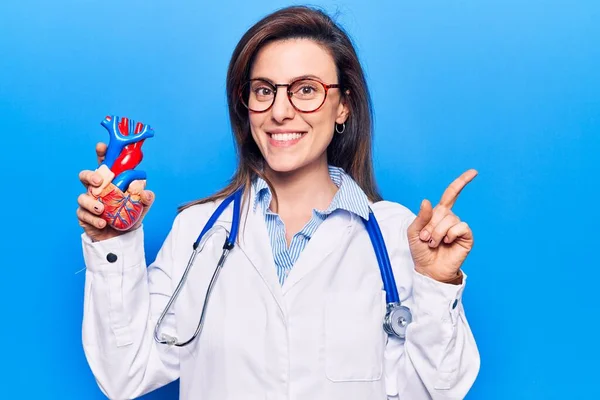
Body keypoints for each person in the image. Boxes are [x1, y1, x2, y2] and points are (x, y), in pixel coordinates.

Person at [77, 5, 480, 400]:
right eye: (264, 91)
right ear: (245, 104)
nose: (280, 112)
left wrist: (436, 284)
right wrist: (115, 242)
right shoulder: (199, 231)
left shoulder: (395, 236)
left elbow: (436, 393)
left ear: (344, 105)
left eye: (307, 90)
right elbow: (123, 375)